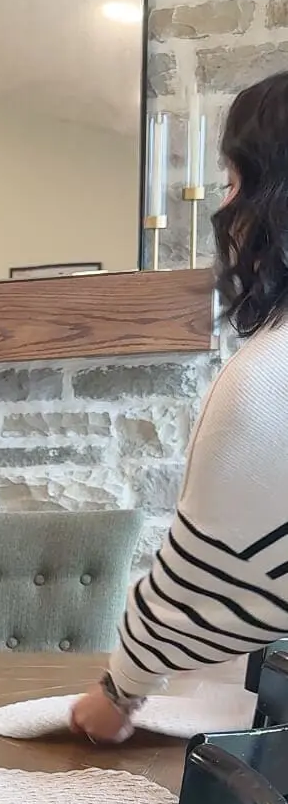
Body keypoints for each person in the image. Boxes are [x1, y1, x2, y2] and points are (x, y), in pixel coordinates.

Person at [71, 72, 288, 744]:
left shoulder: (267, 378)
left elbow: (207, 576)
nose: (225, 210)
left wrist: (119, 692)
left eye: (230, 183)